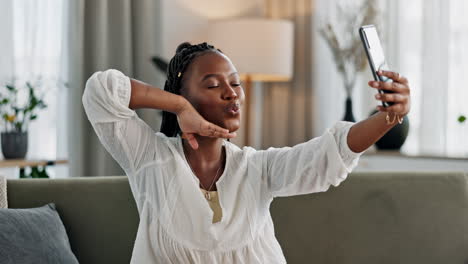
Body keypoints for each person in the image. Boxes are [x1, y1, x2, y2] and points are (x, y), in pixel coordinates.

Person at [82, 42, 411, 263]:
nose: (231, 93)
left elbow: (325, 157)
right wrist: (180, 107)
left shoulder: (257, 168)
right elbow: (102, 91)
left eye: (235, 83)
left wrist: (388, 117)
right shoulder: (150, 157)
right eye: (213, 85)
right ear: (182, 95)